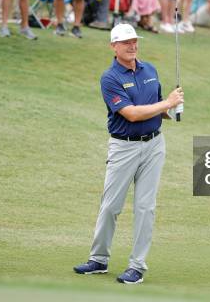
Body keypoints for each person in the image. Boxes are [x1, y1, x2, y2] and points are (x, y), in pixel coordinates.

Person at [73, 22, 184, 285]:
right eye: (126, 42)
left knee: (145, 208)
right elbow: (131, 114)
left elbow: (155, 108)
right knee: (111, 205)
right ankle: (98, 259)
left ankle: (137, 266)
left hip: (154, 146)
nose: (132, 45)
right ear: (114, 46)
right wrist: (167, 102)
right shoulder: (110, 78)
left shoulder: (150, 70)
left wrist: (173, 109)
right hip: (123, 146)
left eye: (135, 41)